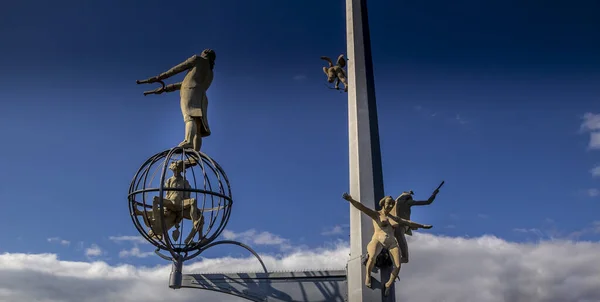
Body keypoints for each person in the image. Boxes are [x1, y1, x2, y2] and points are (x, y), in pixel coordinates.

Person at [342, 192, 432, 296]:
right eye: (388, 203)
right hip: (378, 240)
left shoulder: (394, 218)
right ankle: (367, 275)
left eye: (391, 204)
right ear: (383, 204)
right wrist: (351, 200)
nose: (390, 206)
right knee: (372, 258)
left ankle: (388, 284)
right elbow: (362, 207)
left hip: (392, 243)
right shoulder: (376, 214)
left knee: (397, 266)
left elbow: (408, 223)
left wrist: (423, 226)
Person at [137, 49, 216, 152]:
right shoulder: (210, 73)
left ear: (204, 53)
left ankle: (188, 141)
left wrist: (159, 77)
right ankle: (196, 153)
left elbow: (178, 68)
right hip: (202, 97)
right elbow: (186, 83)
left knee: (189, 117)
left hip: (189, 91)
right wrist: (165, 89)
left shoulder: (198, 59)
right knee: (198, 126)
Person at [393, 186, 440, 264]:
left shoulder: (398, 201)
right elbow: (428, 202)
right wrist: (434, 194)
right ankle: (403, 256)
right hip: (399, 223)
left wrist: (434, 194)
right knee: (397, 235)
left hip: (400, 223)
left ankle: (404, 257)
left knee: (398, 234)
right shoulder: (406, 201)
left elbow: (427, 202)